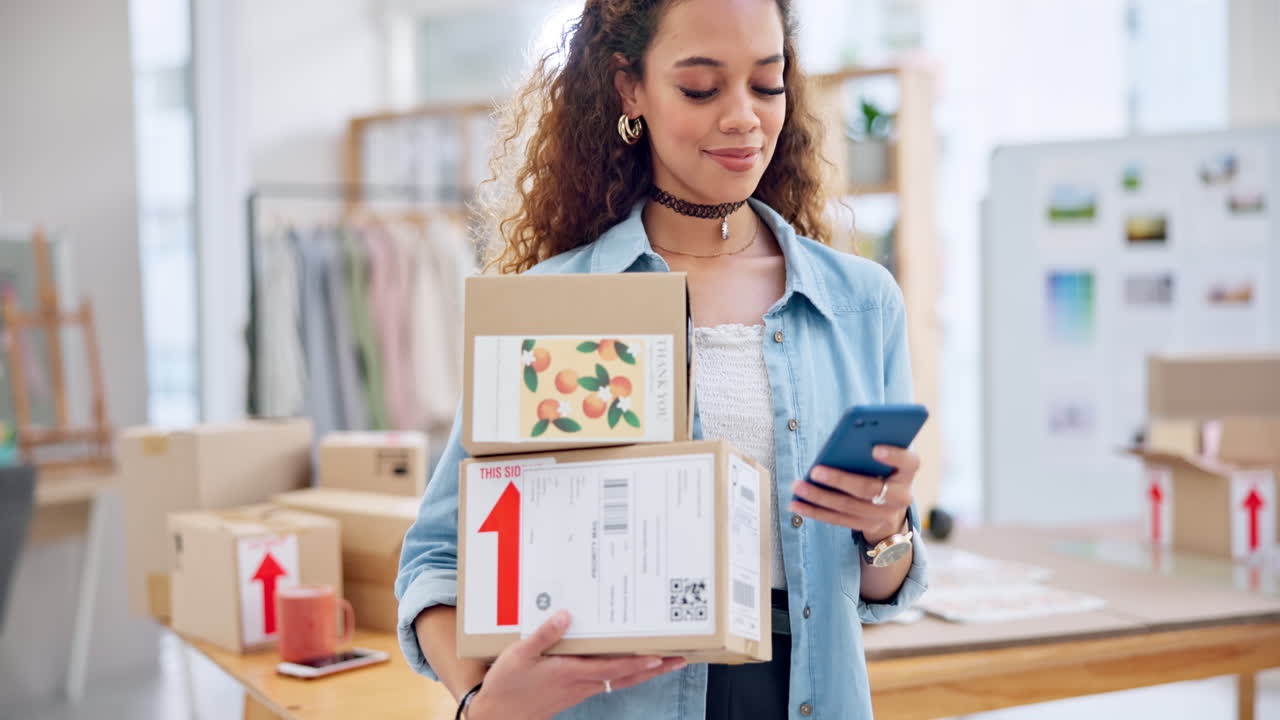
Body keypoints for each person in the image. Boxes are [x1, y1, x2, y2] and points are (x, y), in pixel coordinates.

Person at [395, 0, 929, 718]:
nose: (743, 117)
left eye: (768, 84)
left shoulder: (861, 304)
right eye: (702, 88)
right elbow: (437, 563)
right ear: (630, 89)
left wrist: (885, 530)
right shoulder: (553, 305)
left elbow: (877, 590)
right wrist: (483, 702)